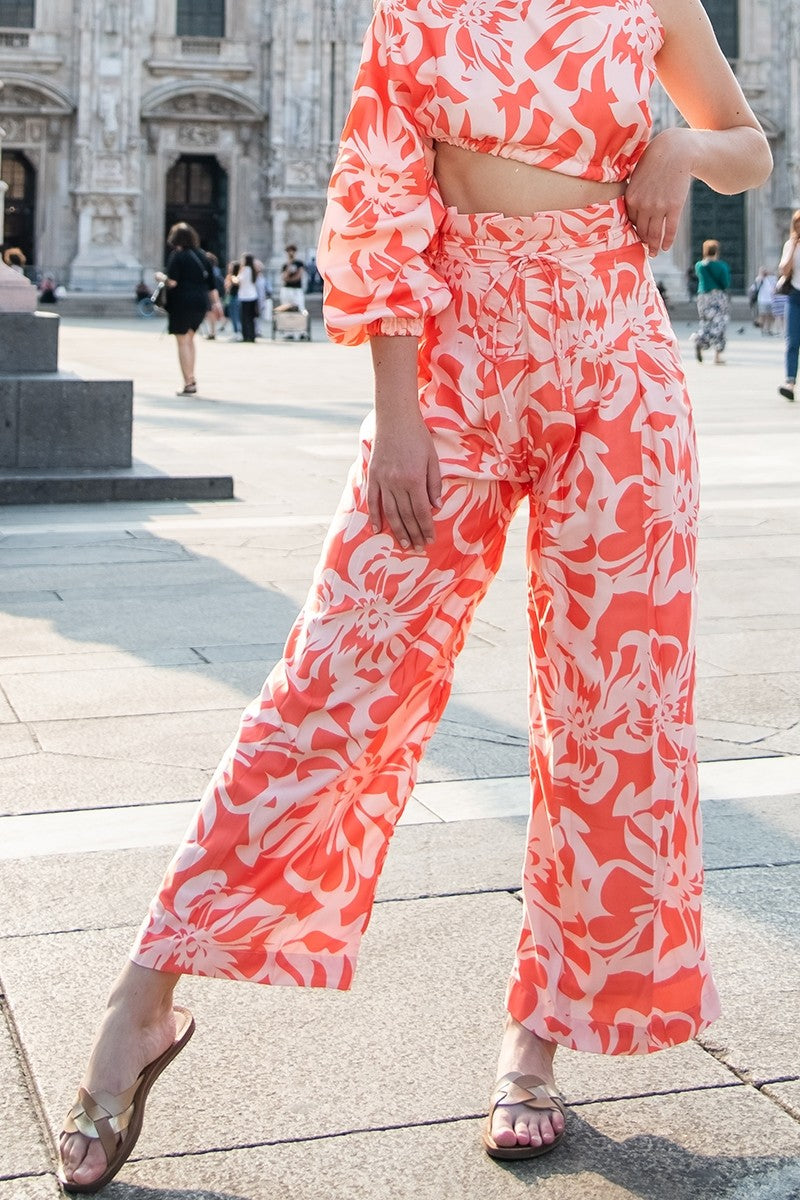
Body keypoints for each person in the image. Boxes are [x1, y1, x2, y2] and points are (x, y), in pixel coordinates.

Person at [57, 0, 772, 1191]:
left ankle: (534, 1042)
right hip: (454, 361)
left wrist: (677, 146)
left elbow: (744, 144)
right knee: (333, 679)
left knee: (611, 714)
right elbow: (382, 196)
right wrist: (398, 412)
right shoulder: (417, 10)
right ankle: (146, 995)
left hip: (616, 359)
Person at [157, 223, 222, 395]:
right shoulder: (203, 256)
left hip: (182, 302)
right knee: (190, 339)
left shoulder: (178, 256)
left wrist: (160, 277)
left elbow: (173, 282)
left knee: (182, 341)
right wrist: (217, 305)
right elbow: (212, 285)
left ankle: (188, 382)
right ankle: (191, 377)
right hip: (201, 303)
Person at [692, 239, 731, 364]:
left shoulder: (699, 265)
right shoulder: (721, 266)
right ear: (717, 251)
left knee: (706, 322)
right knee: (720, 324)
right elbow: (725, 283)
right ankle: (717, 356)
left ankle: (700, 340)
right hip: (717, 297)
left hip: (702, 297)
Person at [778, 210, 800, 402]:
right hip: (795, 295)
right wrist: (793, 247)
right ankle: (790, 382)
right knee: (792, 341)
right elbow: (784, 269)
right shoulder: (790, 245)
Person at [233, 252, 260, 342]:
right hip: (253, 296)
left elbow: (238, 281)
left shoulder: (244, 269)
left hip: (245, 297)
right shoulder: (253, 270)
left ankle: (246, 336)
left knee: (244, 318)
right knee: (251, 318)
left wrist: (233, 277)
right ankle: (252, 335)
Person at [203, 252, 227, 339]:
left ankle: (213, 332)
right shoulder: (215, 270)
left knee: (211, 313)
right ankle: (212, 331)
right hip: (214, 293)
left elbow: (213, 285)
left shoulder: (211, 271)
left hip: (212, 293)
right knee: (211, 313)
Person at [279, 243, 306, 312]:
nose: (290, 253)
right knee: (285, 308)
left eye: (292, 251)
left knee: (300, 308)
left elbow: (299, 276)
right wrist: (289, 263)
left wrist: (290, 279)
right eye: (289, 251)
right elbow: (284, 277)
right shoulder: (285, 265)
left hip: (296, 289)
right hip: (287, 289)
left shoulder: (299, 263)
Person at [755, 268, 777, 336]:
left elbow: (776, 286)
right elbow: (757, 282)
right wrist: (761, 274)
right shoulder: (759, 278)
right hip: (762, 300)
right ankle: (762, 330)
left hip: (771, 300)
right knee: (763, 315)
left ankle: (769, 329)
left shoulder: (772, 278)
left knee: (771, 316)